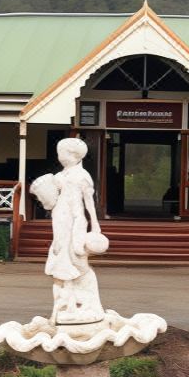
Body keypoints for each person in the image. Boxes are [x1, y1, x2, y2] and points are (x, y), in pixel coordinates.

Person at [30, 137, 107, 325]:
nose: (59, 156)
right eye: (59, 152)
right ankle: (67, 303)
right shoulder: (59, 176)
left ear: (74, 155)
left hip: (75, 220)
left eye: (62, 152)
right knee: (59, 255)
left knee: (76, 257)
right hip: (60, 217)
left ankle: (87, 304)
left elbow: (89, 202)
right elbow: (50, 199)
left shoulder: (82, 176)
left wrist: (95, 225)